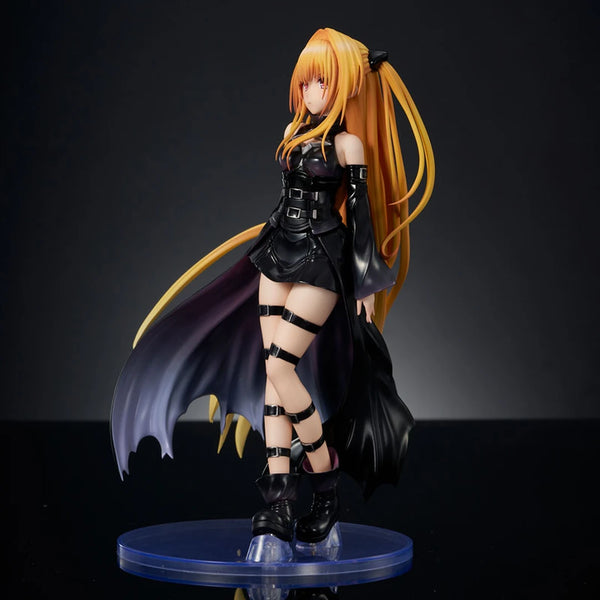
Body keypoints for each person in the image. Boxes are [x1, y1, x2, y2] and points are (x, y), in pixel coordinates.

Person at [110, 27, 434, 549]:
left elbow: (363, 216)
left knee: (283, 367)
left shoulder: (348, 144)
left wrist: (366, 282)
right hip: (276, 251)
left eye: (322, 82)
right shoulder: (293, 131)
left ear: (345, 85)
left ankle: (324, 478)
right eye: (305, 82)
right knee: (270, 376)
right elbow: (287, 199)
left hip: (323, 259)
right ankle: (280, 500)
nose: (311, 92)